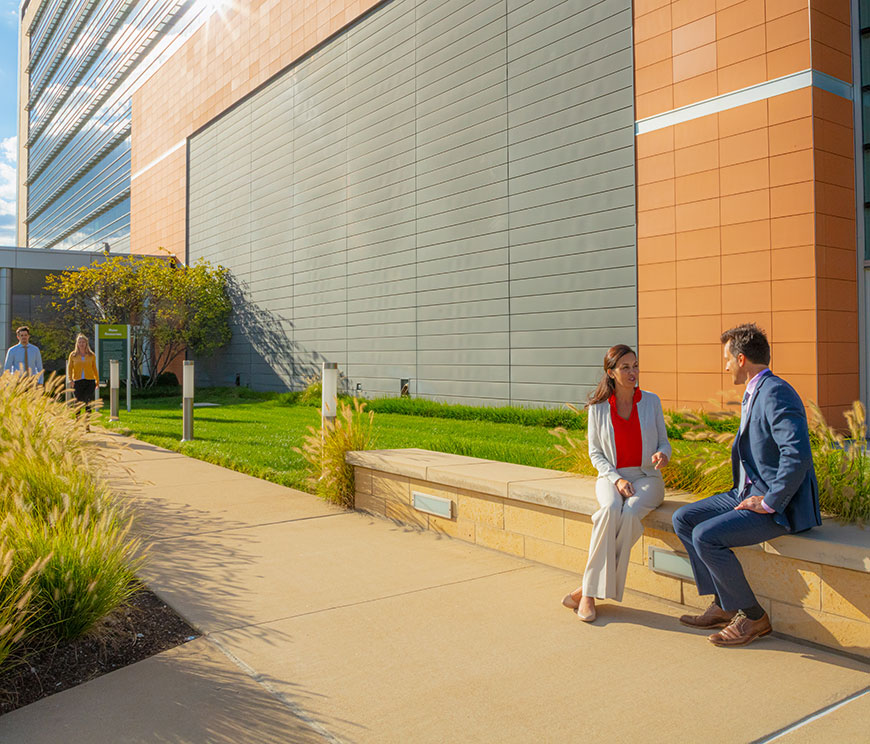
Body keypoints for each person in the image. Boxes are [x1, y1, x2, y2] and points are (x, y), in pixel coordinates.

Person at [672, 323, 821, 647]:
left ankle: (753, 616)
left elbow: (797, 455)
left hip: (778, 504)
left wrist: (769, 501)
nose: (724, 366)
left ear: (741, 359)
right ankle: (725, 604)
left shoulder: (776, 392)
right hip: (746, 492)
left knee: (706, 536)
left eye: (726, 359)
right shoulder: (756, 391)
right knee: (683, 519)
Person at [562, 344, 671, 622]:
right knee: (609, 510)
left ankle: (587, 591)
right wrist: (617, 479)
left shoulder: (651, 401)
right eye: (625, 367)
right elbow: (595, 453)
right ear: (611, 372)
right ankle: (589, 591)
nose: (633, 372)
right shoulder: (598, 409)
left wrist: (662, 454)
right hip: (611, 475)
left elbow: (663, 441)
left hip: (647, 477)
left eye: (635, 366)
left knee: (632, 511)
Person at [67, 333, 99, 421]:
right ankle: (77, 420)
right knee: (78, 402)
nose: (81, 344)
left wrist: (97, 380)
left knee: (88, 401)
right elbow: (70, 368)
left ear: (86, 343)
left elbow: (94, 368)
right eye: (80, 342)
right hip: (77, 381)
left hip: (89, 381)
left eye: (83, 342)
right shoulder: (73, 355)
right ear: (77, 344)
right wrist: (70, 380)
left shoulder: (91, 355)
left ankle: (87, 422)